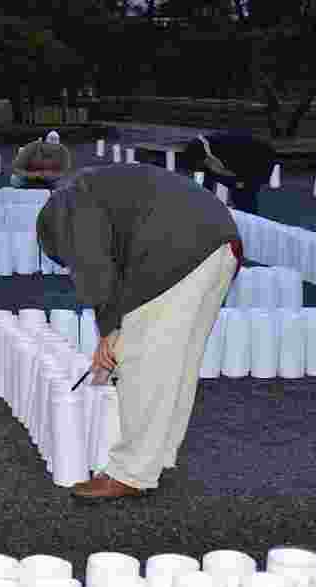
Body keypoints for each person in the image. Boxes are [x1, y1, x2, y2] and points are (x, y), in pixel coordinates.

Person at [36, 163, 243, 500]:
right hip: (219, 242)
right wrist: (115, 327)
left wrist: (108, 334)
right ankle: (157, 455)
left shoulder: (69, 207)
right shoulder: (98, 192)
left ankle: (129, 472)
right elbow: (115, 272)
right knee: (176, 361)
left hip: (175, 248)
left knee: (140, 361)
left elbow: (94, 267)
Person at [181, 132, 277, 215]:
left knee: (243, 193)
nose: (200, 168)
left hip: (260, 160)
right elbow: (207, 181)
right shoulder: (199, 152)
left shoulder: (225, 147)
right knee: (226, 183)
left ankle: (250, 217)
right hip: (234, 164)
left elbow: (243, 175)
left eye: (200, 165)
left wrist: (240, 183)